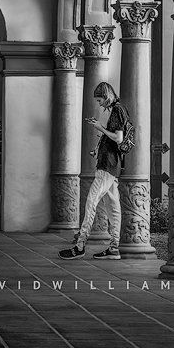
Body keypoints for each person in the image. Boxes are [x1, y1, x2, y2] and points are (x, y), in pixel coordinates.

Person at [58, 81, 132, 260]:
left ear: (106, 96)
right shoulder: (117, 109)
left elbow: (118, 137)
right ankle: (114, 248)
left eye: (99, 100)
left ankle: (80, 244)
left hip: (108, 165)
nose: (99, 104)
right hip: (110, 164)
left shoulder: (117, 109)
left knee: (91, 201)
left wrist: (100, 128)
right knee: (113, 206)